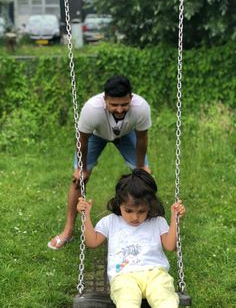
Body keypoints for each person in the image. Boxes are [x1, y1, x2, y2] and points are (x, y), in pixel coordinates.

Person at [48, 75, 151, 250]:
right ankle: (68, 230)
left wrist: (141, 167)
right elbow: (82, 141)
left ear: (131, 99)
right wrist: (82, 169)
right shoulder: (92, 109)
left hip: (126, 135)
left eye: (124, 104)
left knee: (145, 178)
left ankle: (147, 227)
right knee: (78, 180)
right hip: (96, 135)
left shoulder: (141, 107)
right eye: (114, 105)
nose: (119, 109)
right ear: (105, 100)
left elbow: (142, 140)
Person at [77, 169, 186, 308]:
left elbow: (171, 246)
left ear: (150, 206)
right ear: (119, 204)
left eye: (141, 211)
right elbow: (92, 242)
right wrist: (85, 216)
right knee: (127, 300)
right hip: (123, 276)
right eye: (128, 210)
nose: (135, 217)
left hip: (155, 274)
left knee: (166, 299)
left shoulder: (157, 222)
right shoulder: (110, 221)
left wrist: (174, 218)